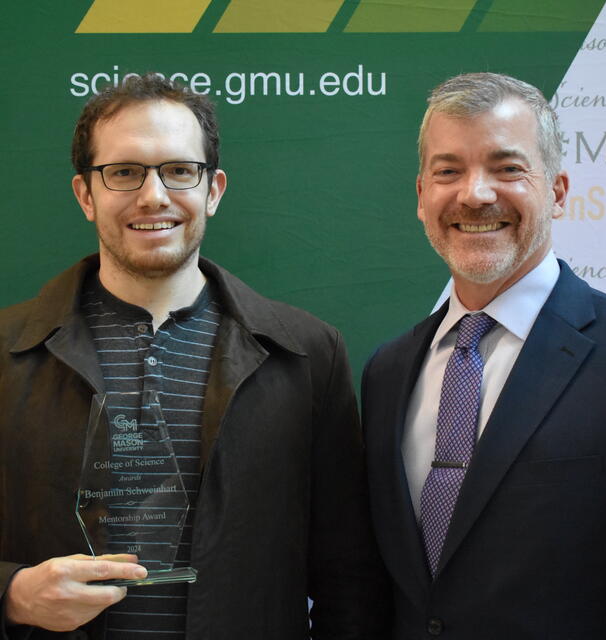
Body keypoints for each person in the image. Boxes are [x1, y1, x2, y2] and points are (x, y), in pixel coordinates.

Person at [0, 73, 390, 640]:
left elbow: (349, 578)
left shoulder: (306, 354)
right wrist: (11, 595)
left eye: (179, 171)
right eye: (124, 172)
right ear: (86, 194)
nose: (153, 195)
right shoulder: (6, 352)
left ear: (214, 189)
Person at [362, 72, 606, 639]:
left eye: (507, 168)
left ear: (558, 191)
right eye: (448, 171)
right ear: (421, 196)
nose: (475, 194)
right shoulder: (386, 373)